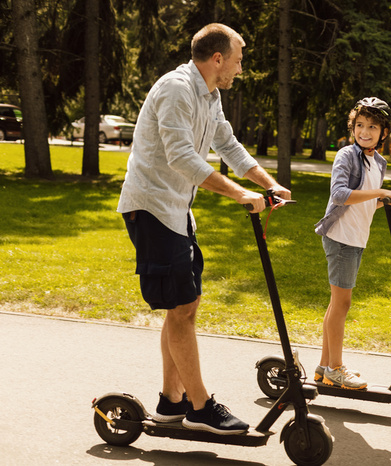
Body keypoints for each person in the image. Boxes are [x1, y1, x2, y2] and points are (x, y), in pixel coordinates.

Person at [116, 23, 290, 435]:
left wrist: (268, 184)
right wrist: (238, 194)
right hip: (152, 208)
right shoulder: (176, 89)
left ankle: (170, 401)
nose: (241, 69)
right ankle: (200, 406)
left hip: (177, 212)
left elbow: (228, 144)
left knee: (185, 307)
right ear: (217, 59)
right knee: (181, 310)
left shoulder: (209, 96)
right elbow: (181, 158)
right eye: (238, 60)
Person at [314, 97, 391, 389]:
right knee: (342, 304)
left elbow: (369, 202)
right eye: (360, 125)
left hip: (357, 238)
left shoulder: (378, 162)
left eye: (372, 126)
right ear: (352, 127)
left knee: (336, 304)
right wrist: (380, 192)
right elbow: (340, 195)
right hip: (341, 237)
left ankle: (323, 367)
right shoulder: (346, 155)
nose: (365, 131)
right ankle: (335, 368)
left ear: (384, 132)